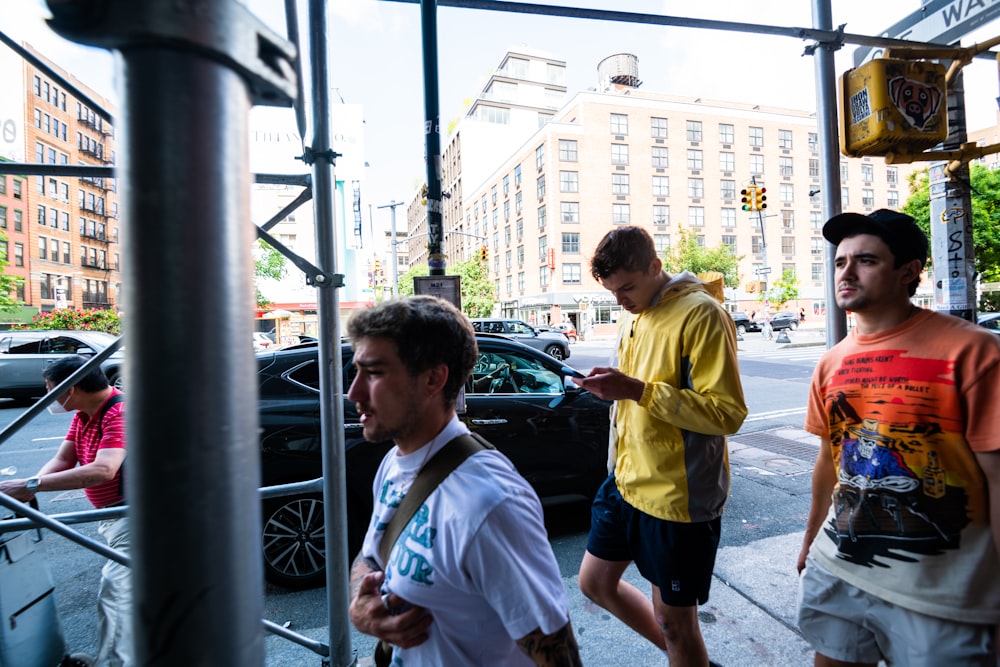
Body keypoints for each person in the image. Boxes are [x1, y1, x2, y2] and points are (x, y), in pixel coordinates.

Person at [796, 209, 1000, 666]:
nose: (846, 271)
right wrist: (811, 541)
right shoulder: (831, 363)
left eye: (865, 260)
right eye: (840, 261)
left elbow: (998, 478)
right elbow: (829, 464)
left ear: (909, 271)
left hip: (941, 591)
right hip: (839, 566)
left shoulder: (972, 351)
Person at [346, 295, 582, 666]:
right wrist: (361, 606)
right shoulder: (394, 463)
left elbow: (556, 653)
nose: (354, 393)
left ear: (433, 379)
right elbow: (371, 555)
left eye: (374, 373)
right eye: (357, 371)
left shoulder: (489, 503)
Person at [571, 226, 747, 666]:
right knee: (594, 583)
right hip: (626, 481)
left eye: (627, 287)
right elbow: (637, 390)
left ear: (655, 267)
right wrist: (614, 387)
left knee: (675, 621)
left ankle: (686, 656)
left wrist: (636, 390)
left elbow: (727, 413)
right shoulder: (636, 314)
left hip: (677, 498)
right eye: (612, 291)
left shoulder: (701, 313)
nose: (620, 301)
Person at [0, 355, 130, 667]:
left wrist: (31, 484)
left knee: (116, 594)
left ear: (71, 389)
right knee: (134, 591)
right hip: (112, 517)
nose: (47, 397)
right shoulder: (85, 413)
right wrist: (30, 488)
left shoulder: (121, 412)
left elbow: (104, 469)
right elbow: (63, 460)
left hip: (138, 517)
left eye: (50, 389)